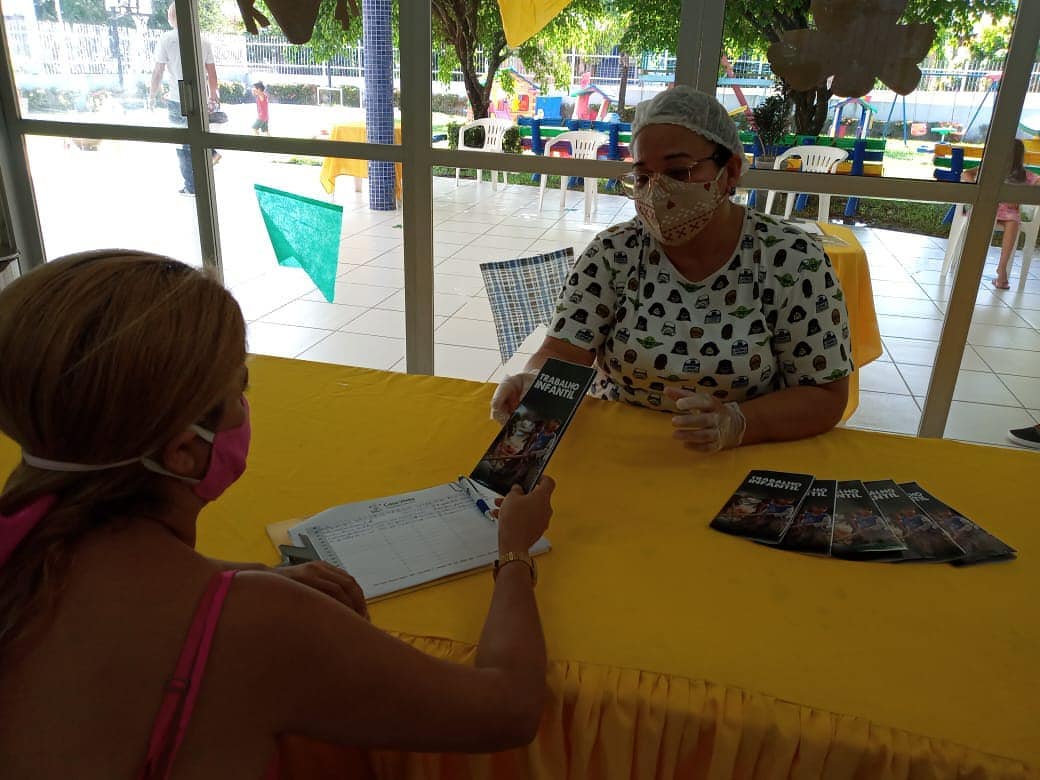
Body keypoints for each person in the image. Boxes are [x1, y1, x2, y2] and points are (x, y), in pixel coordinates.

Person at [0, 251, 555, 778]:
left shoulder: (24, 542)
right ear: (184, 451)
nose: (246, 407)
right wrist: (513, 550)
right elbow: (507, 708)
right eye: (238, 388)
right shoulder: (257, 623)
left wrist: (250, 576)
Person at [491, 86, 853, 452]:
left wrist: (741, 423)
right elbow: (564, 352)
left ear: (730, 171)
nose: (658, 191)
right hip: (620, 446)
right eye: (643, 177)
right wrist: (535, 380)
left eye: (679, 172)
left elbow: (826, 394)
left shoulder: (790, 259)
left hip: (741, 454)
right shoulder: (614, 253)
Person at [149, 4, 221, 196]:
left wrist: (152, 95)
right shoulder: (203, 40)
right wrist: (213, 96)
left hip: (177, 99)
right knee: (197, 136)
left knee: (183, 143)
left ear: (171, 17)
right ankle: (210, 155)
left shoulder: (166, 39)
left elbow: (158, 72)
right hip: (200, 98)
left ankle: (192, 184)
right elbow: (211, 72)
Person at [961, 139, 1040, 289]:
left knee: (1013, 222)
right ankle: (971, 265)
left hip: (1009, 214)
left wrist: (1019, 198)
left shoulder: (1023, 175)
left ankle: (1002, 269)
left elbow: (1037, 182)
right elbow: (966, 174)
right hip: (987, 207)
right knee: (985, 220)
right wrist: (978, 190)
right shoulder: (991, 168)